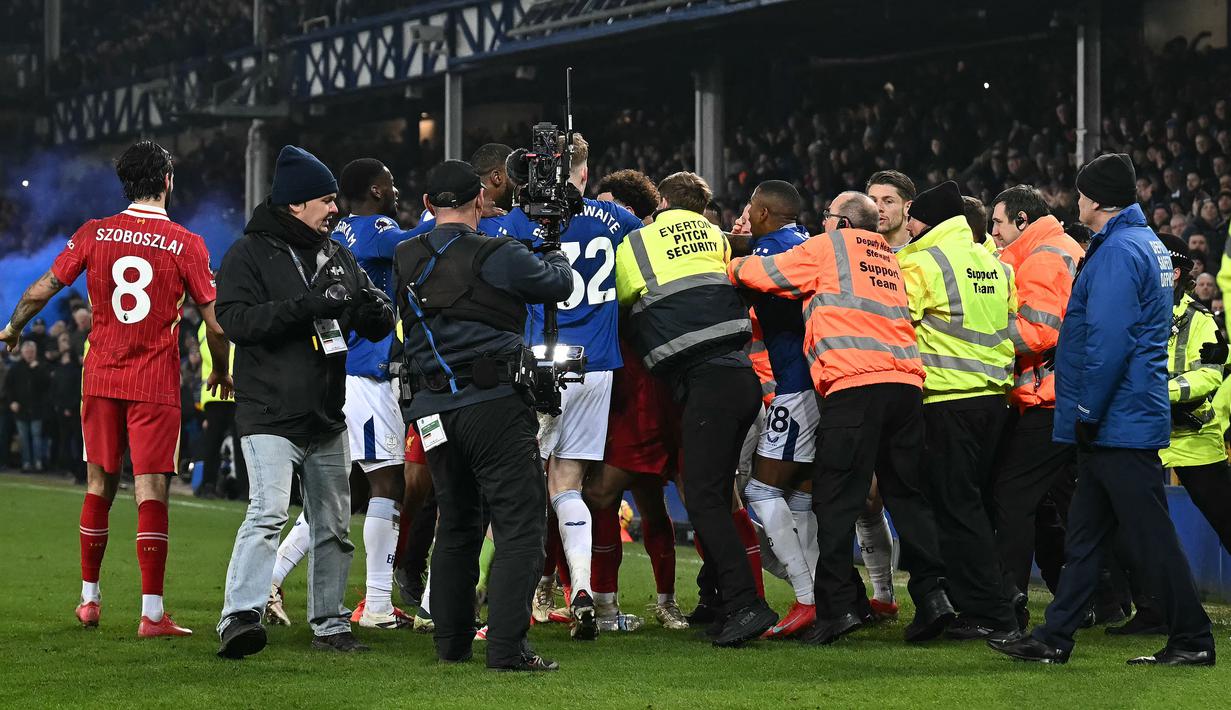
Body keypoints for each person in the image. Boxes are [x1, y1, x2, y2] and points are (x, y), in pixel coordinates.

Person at [990, 153, 1216, 666]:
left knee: (1151, 534)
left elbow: (1108, 340)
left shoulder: (1118, 252)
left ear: (1096, 199)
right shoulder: (1141, 245)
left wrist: (1086, 408)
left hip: (1116, 419)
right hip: (1121, 415)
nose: (1078, 200)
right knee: (1087, 537)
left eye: (1082, 192)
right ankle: (1054, 637)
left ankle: (1194, 638)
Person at [0, 140, 231, 638]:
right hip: (154, 381)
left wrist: (15, 326)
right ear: (167, 180)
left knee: (98, 484)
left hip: (101, 376)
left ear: (124, 183)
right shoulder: (188, 243)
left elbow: (42, 287)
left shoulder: (95, 233)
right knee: (152, 489)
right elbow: (216, 324)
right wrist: (222, 370)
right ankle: (151, 615)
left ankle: (89, 600)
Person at [729, 191, 954, 646]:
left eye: (828, 216)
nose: (822, 223)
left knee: (834, 499)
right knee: (906, 498)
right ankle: (934, 598)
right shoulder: (888, 258)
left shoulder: (829, 246)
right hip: (907, 383)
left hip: (855, 383)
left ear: (842, 223)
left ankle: (836, 610)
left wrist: (730, 261)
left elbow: (766, 274)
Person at [214, 145, 395, 659]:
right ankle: (240, 617)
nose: (335, 209)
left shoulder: (335, 251)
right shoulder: (247, 253)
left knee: (335, 527)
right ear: (295, 204)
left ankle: (330, 623)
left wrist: (373, 312)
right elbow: (236, 322)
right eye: (325, 199)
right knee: (267, 514)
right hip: (269, 410)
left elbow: (361, 312)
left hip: (326, 413)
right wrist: (307, 306)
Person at [395, 159, 572, 671]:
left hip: (430, 409)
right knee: (519, 525)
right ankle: (507, 648)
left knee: (455, 523)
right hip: (493, 403)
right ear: (479, 201)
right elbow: (557, 285)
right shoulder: (498, 252)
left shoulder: (406, 254)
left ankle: (450, 645)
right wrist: (554, 251)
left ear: (427, 204)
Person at [614, 171, 774, 647]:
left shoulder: (638, 243)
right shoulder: (715, 237)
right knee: (720, 497)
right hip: (740, 377)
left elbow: (623, 302)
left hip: (707, 382)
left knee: (703, 499)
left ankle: (746, 604)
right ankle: (722, 597)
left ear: (661, 201)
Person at [500, 133, 643, 638]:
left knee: (519, 485)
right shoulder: (620, 221)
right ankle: (581, 586)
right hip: (596, 365)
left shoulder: (516, 221)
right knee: (569, 485)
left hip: (536, 363)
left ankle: (502, 597)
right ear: (584, 171)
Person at [284, 157, 413, 630]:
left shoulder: (335, 235)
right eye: (392, 184)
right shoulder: (378, 226)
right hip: (370, 374)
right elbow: (419, 243)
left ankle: (271, 582)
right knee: (388, 485)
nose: (396, 191)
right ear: (376, 192)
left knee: (348, 489)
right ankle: (378, 604)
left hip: (345, 371)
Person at [898, 180, 1019, 641]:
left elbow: (897, 321)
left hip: (947, 398)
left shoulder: (920, 262)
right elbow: (1006, 324)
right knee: (975, 506)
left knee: (957, 510)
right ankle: (995, 602)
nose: (907, 226)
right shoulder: (992, 262)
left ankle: (991, 613)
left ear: (925, 221)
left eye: (911, 218)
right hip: (995, 397)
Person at [1106, 234, 1231, 635]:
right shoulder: (1137, 313)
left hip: (1194, 441)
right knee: (1134, 528)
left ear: (1173, 273)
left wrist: (1160, 391)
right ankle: (1153, 609)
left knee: (1227, 521)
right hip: (1146, 437)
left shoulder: (1200, 319)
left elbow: (1212, 373)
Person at [588, 169, 687, 630]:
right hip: (616, 385)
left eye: (610, 206)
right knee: (629, 498)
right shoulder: (614, 245)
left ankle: (635, 603)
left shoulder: (646, 248)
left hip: (648, 386)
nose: (601, 215)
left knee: (604, 494)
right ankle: (606, 600)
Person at [986, 185, 1083, 627]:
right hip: (1062, 394)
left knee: (1012, 497)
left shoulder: (1044, 256)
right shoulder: (1054, 248)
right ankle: (1104, 597)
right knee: (1075, 502)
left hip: (1049, 397)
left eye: (999, 224)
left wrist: (985, 331)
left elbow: (1041, 333)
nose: (994, 233)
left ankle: (1010, 602)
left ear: (1022, 221)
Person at [728, 180, 818, 638]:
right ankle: (821, 594)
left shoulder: (771, 253)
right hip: (827, 380)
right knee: (801, 493)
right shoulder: (813, 243)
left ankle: (807, 596)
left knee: (763, 491)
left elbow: (741, 274)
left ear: (763, 214)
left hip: (794, 386)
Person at [196, 319, 244, 499]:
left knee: (240, 443)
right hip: (216, 391)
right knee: (214, 442)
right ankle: (208, 485)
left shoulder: (225, 316)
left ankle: (242, 488)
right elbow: (207, 349)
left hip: (231, 390)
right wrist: (229, 372)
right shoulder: (212, 319)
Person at [5, 340, 50, 472]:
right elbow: (9, 387)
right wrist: (12, 402)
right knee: (23, 438)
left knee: (37, 436)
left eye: (32, 352)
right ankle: (26, 463)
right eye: (27, 352)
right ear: (22, 352)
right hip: (21, 409)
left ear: (35, 353)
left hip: (37, 408)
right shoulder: (16, 368)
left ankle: (38, 462)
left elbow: (46, 384)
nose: (29, 354)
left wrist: (36, 370)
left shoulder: (41, 366)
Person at [866, 170, 915, 252]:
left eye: (888, 201)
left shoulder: (926, 248)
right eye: (873, 201)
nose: (878, 208)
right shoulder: (859, 249)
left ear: (908, 208)